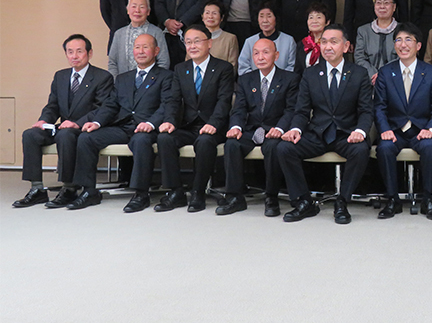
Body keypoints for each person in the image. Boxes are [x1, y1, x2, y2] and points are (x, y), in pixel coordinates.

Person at [276, 24, 373, 224]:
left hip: (346, 134)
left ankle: (342, 201)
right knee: (285, 148)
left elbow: (366, 110)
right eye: (324, 42)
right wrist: (295, 129)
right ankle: (304, 201)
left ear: (346, 46)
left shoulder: (359, 73)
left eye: (333, 42)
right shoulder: (310, 74)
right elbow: (301, 110)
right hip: (317, 133)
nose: (328, 47)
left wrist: (360, 131)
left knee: (361, 149)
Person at [68, 34, 172, 212]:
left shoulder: (166, 76)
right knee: (86, 137)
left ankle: (141, 194)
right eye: (137, 47)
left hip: (148, 128)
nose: (140, 51)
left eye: (145, 47)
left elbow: (167, 105)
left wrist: (151, 123)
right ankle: (89, 191)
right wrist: (97, 122)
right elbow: (111, 105)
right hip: (123, 126)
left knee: (141, 140)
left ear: (156, 51)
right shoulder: (123, 78)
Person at [13, 35, 113, 209]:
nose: (74, 56)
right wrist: (44, 120)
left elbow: (103, 108)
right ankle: (37, 189)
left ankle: (69, 188)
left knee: (65, 135)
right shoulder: (61, 76)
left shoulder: (102, 77)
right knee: (30, 134)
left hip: (85, 128)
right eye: (70, 52)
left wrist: (77, 123)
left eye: (79, 51)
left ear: (89, 53)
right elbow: (52, 105)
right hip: (63, 126)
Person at [216, 38, 300, 216]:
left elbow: (291, 109)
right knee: (232, 144)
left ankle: (271, 197)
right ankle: (234, 197)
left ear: (276, 55)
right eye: (256, 53)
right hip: (252, 129)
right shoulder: (246, 79)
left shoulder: (290, 79)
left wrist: (280, 129)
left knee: (273, 146)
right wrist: (236, 127)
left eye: (265, 52)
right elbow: (239, 109)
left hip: (275, 130)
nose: (260, 57)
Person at [155, 25, 234, 213]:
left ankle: (198, 192)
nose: (192, 46)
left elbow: (224, 101)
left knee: (205, 141)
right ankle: (176, 192)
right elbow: (174, 100)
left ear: (209, 43)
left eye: (197, 41)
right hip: (189, 126)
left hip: (214, 126)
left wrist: (213, 123)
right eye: (188, 42)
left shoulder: (223, 68)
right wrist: (169, 121)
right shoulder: (180, 69)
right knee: (165, 138)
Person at [374, 23, 432, 220]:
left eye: (408, 40)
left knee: (430, 147)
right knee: (384, 148)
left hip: (422, 129)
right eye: (398, 40)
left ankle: (428, 199)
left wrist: (431, 128)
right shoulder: (385, 72)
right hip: (395, 130)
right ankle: (392, 200)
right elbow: (379, 106)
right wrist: (384, 129)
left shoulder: (431, 73)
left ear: (418, 46)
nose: (403, 44)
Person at [108, 0, 169, 78]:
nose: (137, 10)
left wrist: (154, 81)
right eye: (134, 6)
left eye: (142, 7)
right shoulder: (119, 34)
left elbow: (163, 61)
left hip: (151, 83)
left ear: (148, 11)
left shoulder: (156, 32)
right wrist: (117, 82)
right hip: (123, 83)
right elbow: (112, 62)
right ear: (128, 10)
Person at [354, 0, 399, 84]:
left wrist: (384, 74)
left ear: (394, 7)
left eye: (386, 3)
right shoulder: (363, 31)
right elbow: (359, 58)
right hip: (369, 81)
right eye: (378, 3)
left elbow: (404, 57)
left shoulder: (403, 30)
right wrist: (373, 74)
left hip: (396, 80)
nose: (382, 6)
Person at [238, 1, 296, 74]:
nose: (265, 20)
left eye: (269, 16)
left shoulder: (288, 41)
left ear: (276, 18)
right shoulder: (249, 42)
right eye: (261, 16)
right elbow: (243, 67)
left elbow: (292, 67)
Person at [193, 0, 239, 74]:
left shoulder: (230, 38)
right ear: (202, 17)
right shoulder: (194, 37)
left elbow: (232, 66)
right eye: (207, 13)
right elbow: (188, 63)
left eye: (214, 13)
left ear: (222, 18)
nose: (210, 16)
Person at [294, 1, 331, 74]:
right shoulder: (302, 44)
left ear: (327, 22)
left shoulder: (331, 43)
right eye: (311, 17)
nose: (314, 21)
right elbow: (298, 71)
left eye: (318, 17)